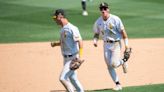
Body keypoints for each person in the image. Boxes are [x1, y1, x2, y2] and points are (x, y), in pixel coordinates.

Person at [92, 2, 131, 91]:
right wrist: (95, 41)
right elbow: (96, 34)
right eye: (101, 9)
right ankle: (118, 84)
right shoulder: (98, 21)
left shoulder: (115, 19)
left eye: (105, 8)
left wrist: (127, 45)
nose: (103, 11)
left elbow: (123, 33)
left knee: (113, 64)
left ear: (108, 9)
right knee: (109, 66)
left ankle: (123, 61)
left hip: (116, 44)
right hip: (106, 45)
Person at [51, 9, 84, 92]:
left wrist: (80, 57)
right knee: (73, 79)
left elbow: (80, 41)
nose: (54, 20)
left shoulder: (71, 28)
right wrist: (55, 44)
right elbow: (64, 42)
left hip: (73, 58)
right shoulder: (62, 29)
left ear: (60, 16)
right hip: (66, 59)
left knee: (62, 78)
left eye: (55, 18)